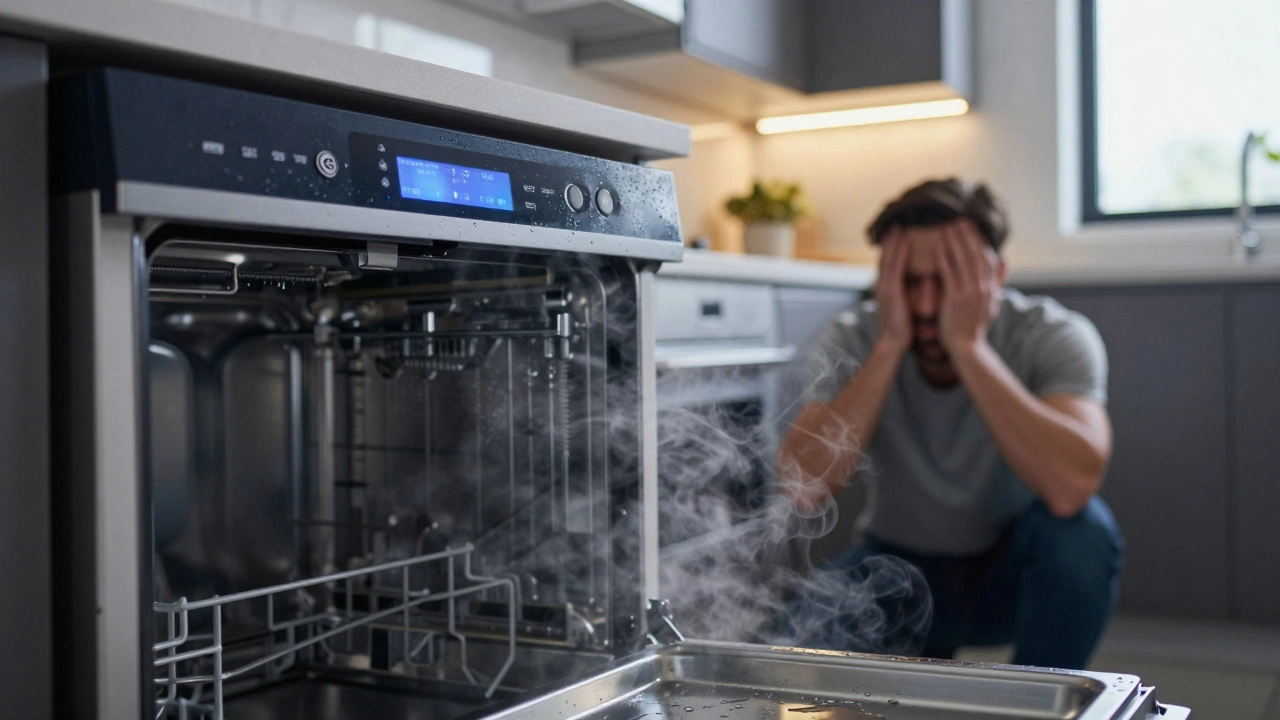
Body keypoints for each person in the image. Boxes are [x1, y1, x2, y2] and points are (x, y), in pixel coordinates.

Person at [777, 178, 1123, 670]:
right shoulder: (858, 335)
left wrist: (970, 347)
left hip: (1011, 571)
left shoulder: (1052, 334)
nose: (923, 306)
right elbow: (803, 483)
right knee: (791, 648)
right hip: (898, 572)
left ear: (996, 274)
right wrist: (890, 345)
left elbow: (1072, 486)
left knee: (1085, 536)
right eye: (908, 282)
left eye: (946, 280)